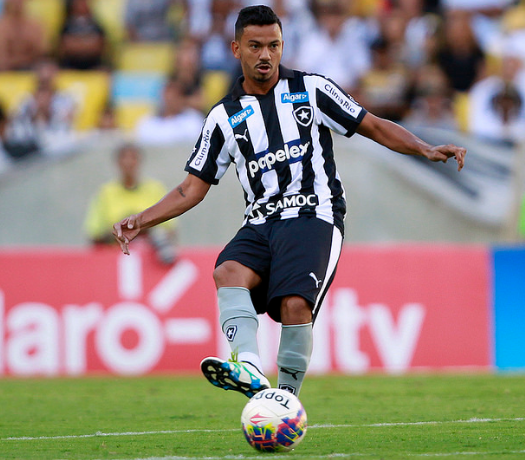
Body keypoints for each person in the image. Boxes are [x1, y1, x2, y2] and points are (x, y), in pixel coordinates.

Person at [113, 5, 465, 398]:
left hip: (316, 213)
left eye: (274, 45)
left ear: (283, 46)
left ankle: (285, 401)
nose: (265, 55)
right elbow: (191, 189)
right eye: (256, 46)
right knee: (227, 271)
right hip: (261, 222)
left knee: (295, 306)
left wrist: (426, 149)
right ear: (236, 49)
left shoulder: (312, 90)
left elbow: (373, 125)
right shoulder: (222, 118)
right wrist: (142, 220)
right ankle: (247, 365)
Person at [86, 144, 177, 265]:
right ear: (117, 163)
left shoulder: (155, 190)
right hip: (114, 258)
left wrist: (140, 226)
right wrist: (124, 230)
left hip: (150, 257)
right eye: (124, 158)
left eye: (133, 158)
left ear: (139, 161)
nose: (128, 163)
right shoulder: (106, 193)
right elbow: (94, 235)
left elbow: (170, 231)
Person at [135, 79, 205, 146]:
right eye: (167, 97)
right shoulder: (147, 122)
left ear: (182, 99)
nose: (169, 101)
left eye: (174, 97)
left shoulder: (194, 120)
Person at [0, 0, 46, 71]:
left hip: (31, 69)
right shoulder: (0, 26)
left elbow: (40, 54)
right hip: (7, 70)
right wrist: (23, 59)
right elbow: (2, 58)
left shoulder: (35, 25)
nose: (17, 3)